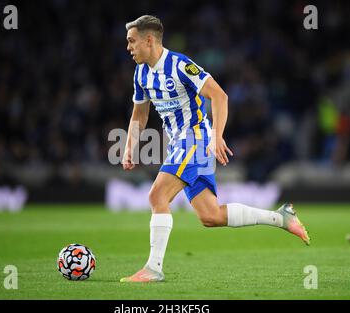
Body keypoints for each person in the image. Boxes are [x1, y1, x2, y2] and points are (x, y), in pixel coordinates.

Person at [120, 15, 310, 282]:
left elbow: (219, 95)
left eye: (132, 41)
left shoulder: (180, 65)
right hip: (179, 143)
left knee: (157, 197)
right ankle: (281, 218)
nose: (128, 47)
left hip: (195, 138)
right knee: (210, 216)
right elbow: (139, 114)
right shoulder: (141, 73)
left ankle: (153, 269)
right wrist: (130, 146)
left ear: (149, 40)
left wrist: (216, 136)